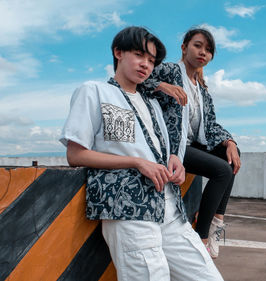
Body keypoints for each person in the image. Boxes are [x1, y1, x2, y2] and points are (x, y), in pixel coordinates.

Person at [59, 26, 223, 281]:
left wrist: (174, 161)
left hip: (170, 209)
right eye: (139, 55)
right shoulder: (94, 91)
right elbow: (76, 155)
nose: (145, 64)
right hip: (129, 209)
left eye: (151, 60)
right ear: (118, 52)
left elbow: (163, 150)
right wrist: (137, 163)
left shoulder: (154, 105)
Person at [143, 28, 241, 259]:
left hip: (193, 145)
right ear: (184, 47)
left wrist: (230, 142)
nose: (202, 52)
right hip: (171, 147)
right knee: (222, 171)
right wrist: (161, 86)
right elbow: (138, 82)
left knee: (232, 156)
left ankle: (217, 221)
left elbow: (211, 125)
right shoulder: (168, 70)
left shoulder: (202, 89)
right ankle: (203, 238)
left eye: (208, 50)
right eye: (198, 46)